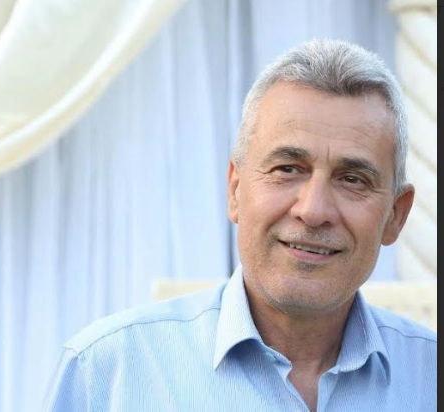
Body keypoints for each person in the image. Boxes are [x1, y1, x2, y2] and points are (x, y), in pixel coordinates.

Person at [44, 40, 437, 412]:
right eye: (287, 169)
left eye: (352, 179)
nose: (313, 210)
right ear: (235, 190)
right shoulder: (108, 375)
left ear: (395, 215)